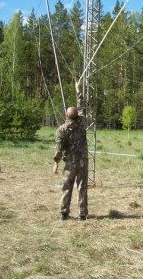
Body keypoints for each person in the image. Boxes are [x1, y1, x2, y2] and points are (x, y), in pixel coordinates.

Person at [53, 86, 88, 221]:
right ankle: (82, 215)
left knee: (66, 187)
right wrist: (78, 91)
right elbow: (83, 107)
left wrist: (56, 163)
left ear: (66, 115)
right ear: (77, 116)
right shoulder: (82, 122)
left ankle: (64, 213)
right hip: (83, 161)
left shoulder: (61, 130)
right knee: (82, 187)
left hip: (70, 163)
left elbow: (59, 149)